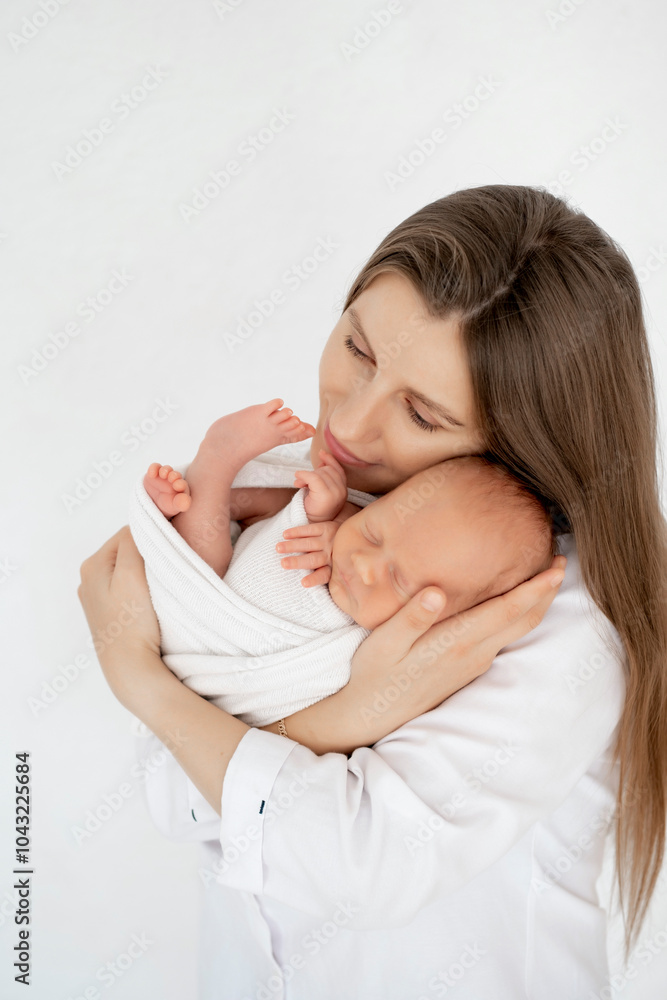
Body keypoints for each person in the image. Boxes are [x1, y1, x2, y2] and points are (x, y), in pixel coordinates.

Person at [77, 184, 667, 1000]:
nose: (349, 426)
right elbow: (174, 794)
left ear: (522, 447)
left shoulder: (552, 616)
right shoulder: (314, 498)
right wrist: (341, 719)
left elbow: (360, 867)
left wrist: (141, 681)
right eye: (357, 349)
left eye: (421, 415)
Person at [135, 399, 555, 727]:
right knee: (205, 559)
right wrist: (327, 512)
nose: (364, 564)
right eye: (373, 532)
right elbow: (270, 524)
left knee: (207, 572)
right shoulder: (346, 529)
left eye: (400, 581)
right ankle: (216, 469)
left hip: (218, 660)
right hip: (208, 601)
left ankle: (202, 497)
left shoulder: (392, 652)